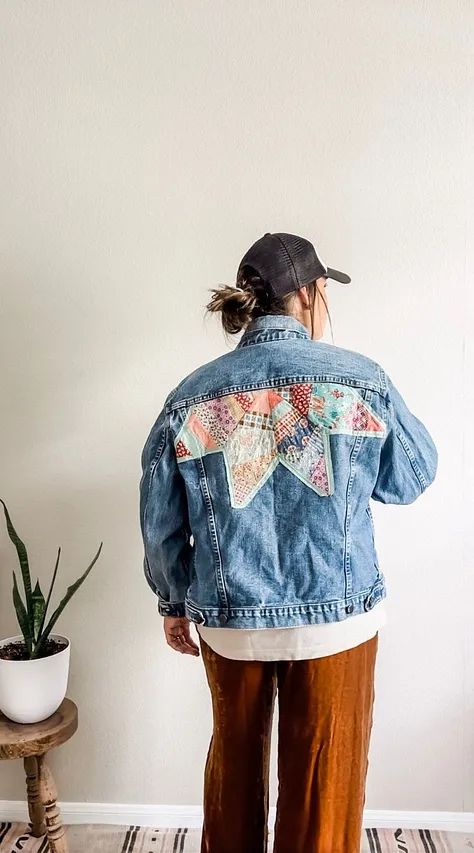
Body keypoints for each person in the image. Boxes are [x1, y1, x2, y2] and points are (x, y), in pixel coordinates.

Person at [139, 232, 438, 853]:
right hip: (339, 618)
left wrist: (173, 601)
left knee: (234, 777)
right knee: (325, 794)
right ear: (306, 292)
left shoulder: (190, 395)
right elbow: (412, 477)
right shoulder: (360, 380)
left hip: (229, 617)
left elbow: (161, 516)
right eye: (323, 289)